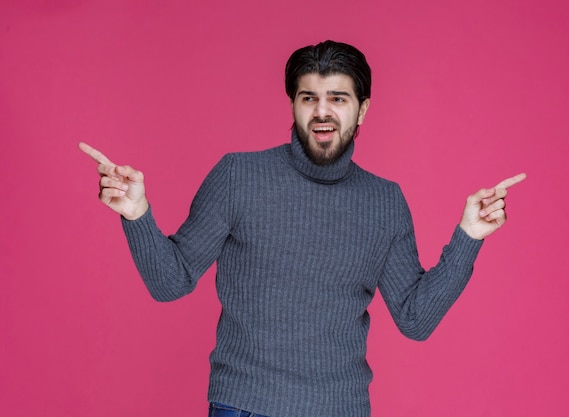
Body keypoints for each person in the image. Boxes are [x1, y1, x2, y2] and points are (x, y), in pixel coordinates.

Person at [79, 40, 525, 417]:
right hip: (244, 405)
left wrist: (467, 238)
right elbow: (169, 282)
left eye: (338, 97)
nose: (322, 112)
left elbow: (415, 319)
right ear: (293, 103)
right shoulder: (239, 177)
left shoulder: (384, 202)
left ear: (362, 110)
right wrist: (137, 214)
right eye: (308, 97)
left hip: (341, 407)